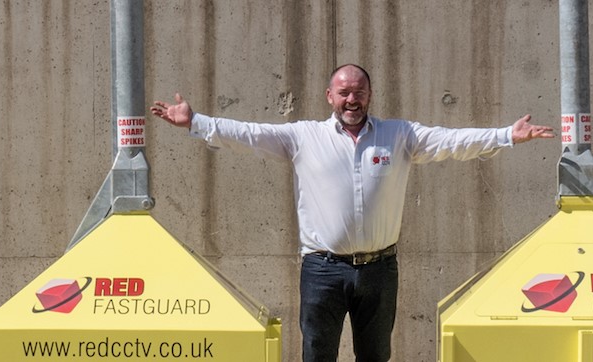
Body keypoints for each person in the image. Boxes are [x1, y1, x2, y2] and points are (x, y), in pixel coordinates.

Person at [150, 64, 554, 362]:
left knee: (376, 357)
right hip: (322, 270)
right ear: (330, 96)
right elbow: (250, 135)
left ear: (369, 95)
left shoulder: (400, 135)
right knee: (318, 355)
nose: (351, 99)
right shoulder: (302, 137)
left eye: (358, 91)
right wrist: (195, 122)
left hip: (379, 270)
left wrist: (506, 136)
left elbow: (452, 141)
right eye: (343, 92)